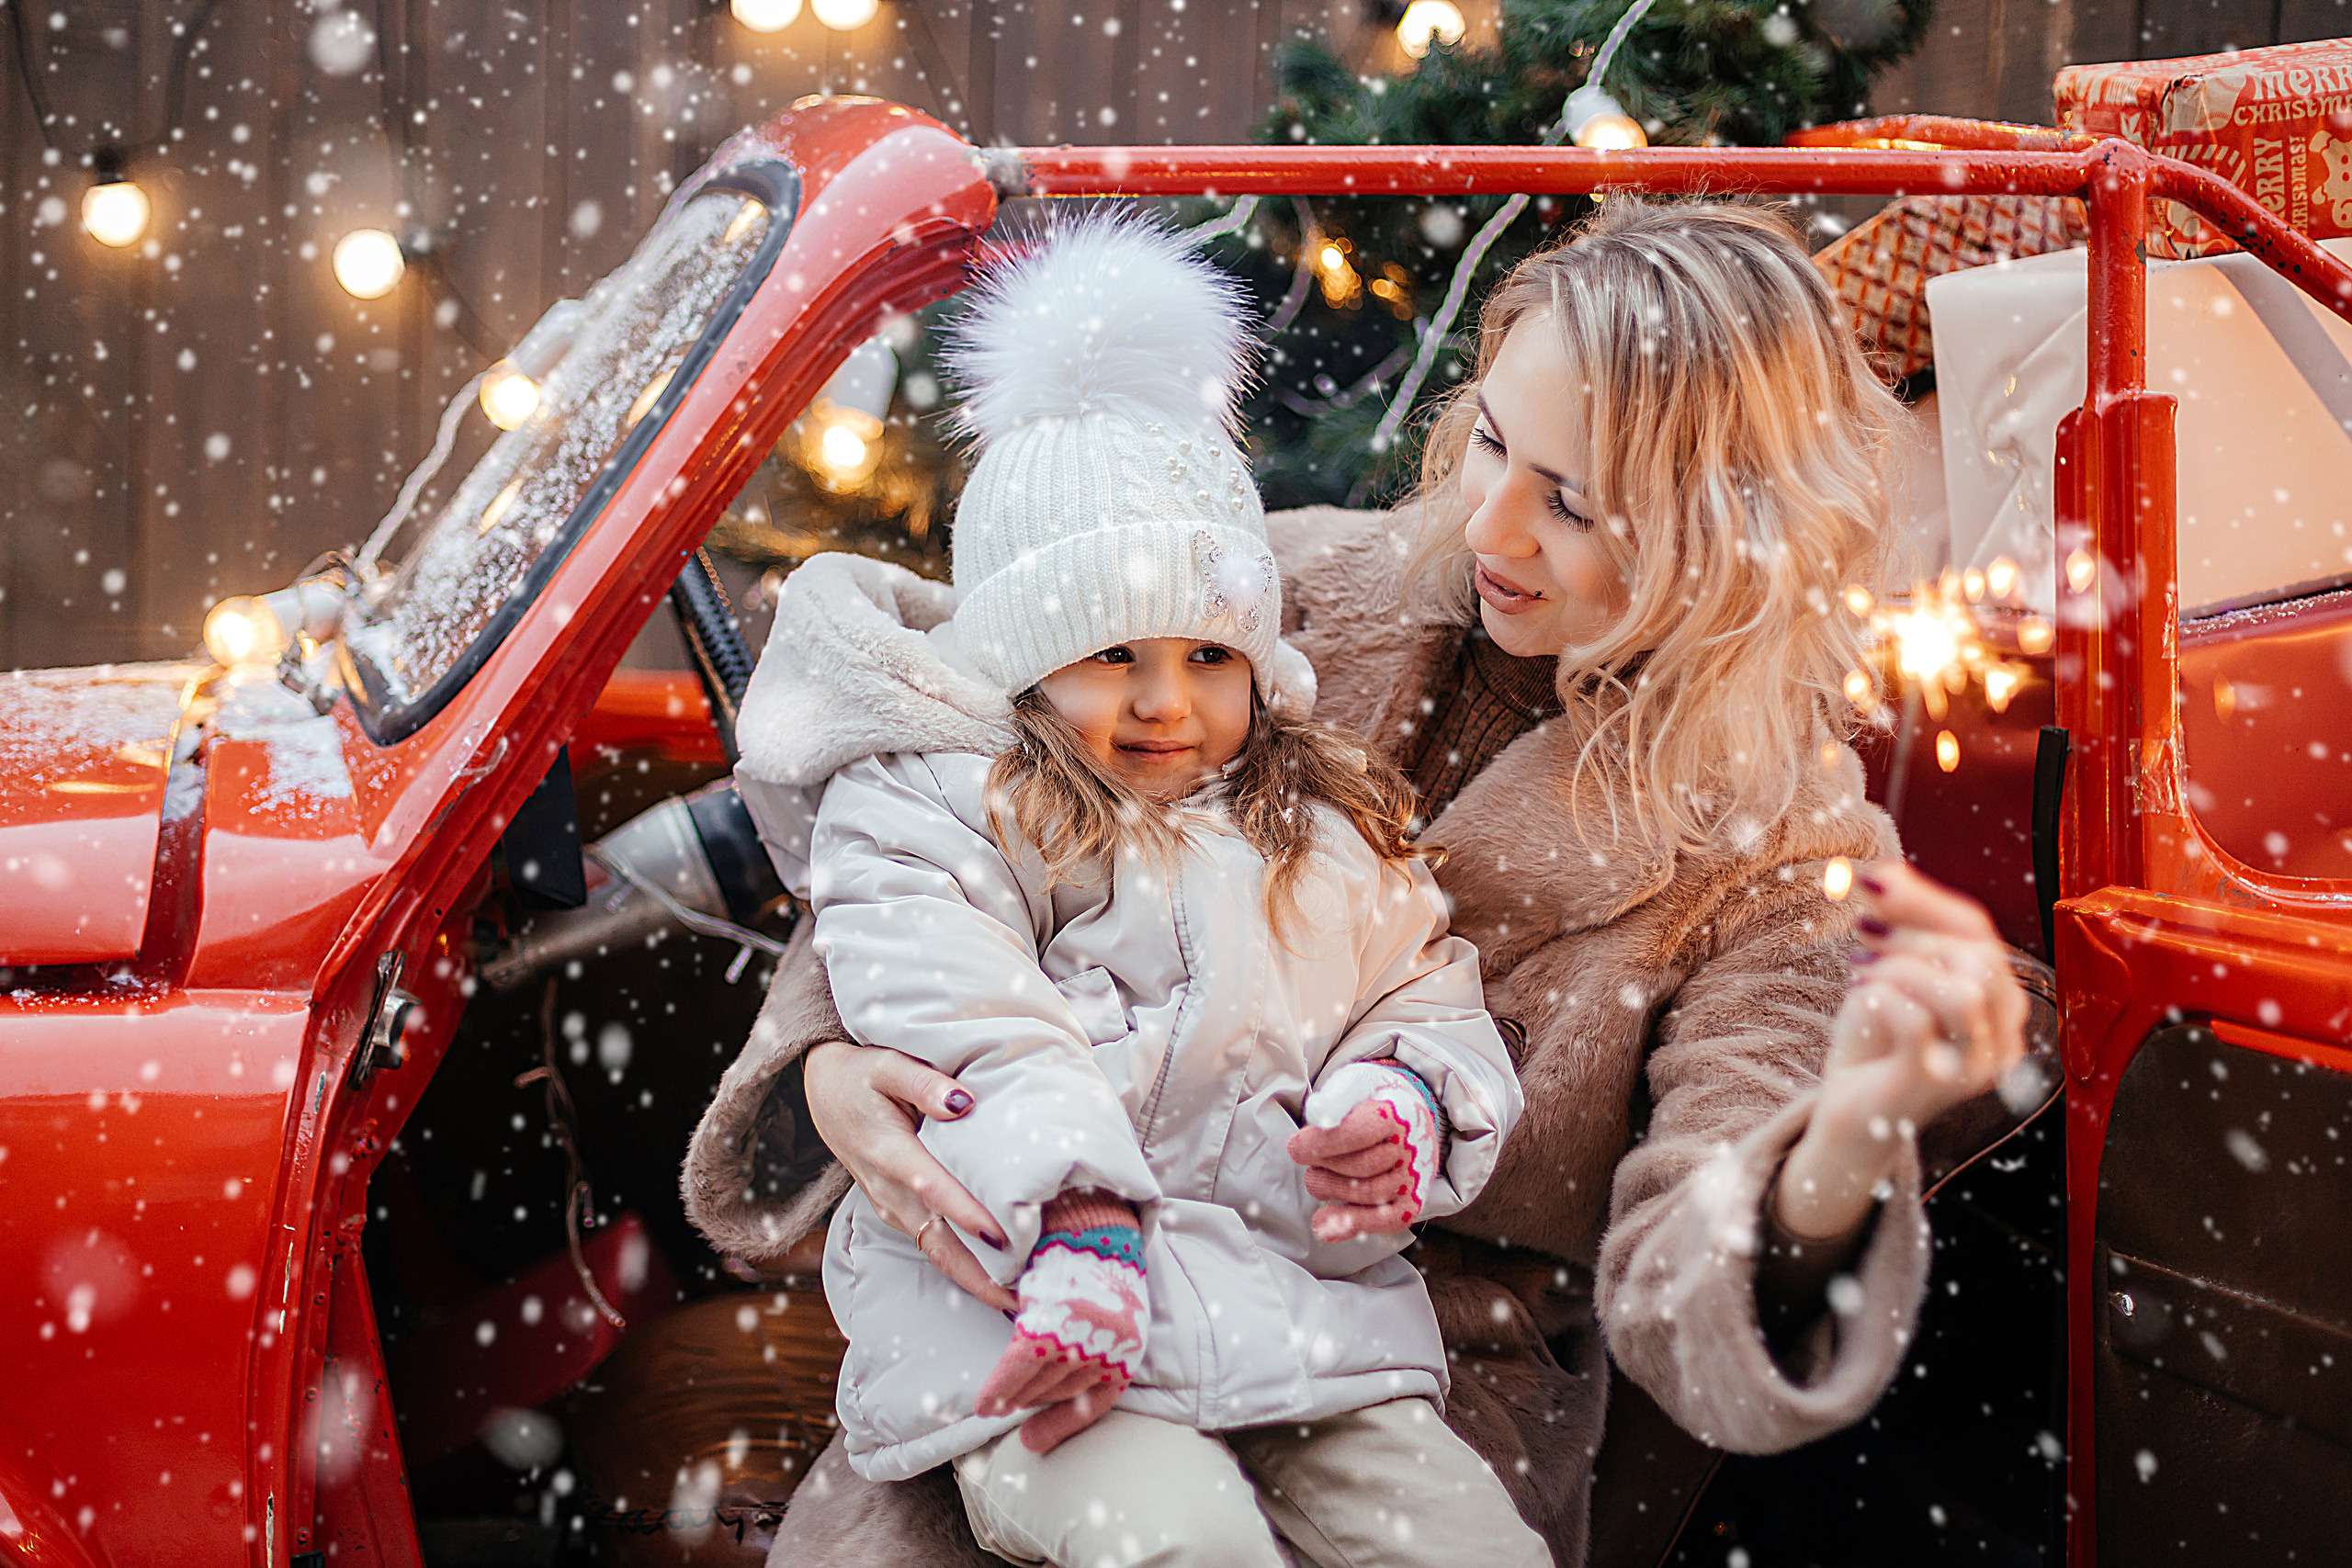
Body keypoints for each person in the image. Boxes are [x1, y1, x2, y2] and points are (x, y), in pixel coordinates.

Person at [685, 197, 2032, 1567]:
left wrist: (1854, 1132)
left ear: (1728, 537)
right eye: (1495, 443)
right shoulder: (1277, 594)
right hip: (1033, 1281)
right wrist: (837, 1066)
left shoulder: (1781, 850)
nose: (1490, 522)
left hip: (1412, 1374)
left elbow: (1692, 1300)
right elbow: (939, 768)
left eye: (1572, 501)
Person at [713, 216, 1549, 1568]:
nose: (1168, 702)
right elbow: (966, 1020)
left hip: (1300, 1331)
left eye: (1210, 653)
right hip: (1025, 1323)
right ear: (1024, 656)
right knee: (1185, 1543)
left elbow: (1420, 992)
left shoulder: (1312, 819)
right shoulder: (942, 807)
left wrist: (1399, 1104)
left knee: (1471, 1550)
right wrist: (1083, 1225)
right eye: (1111, 652)